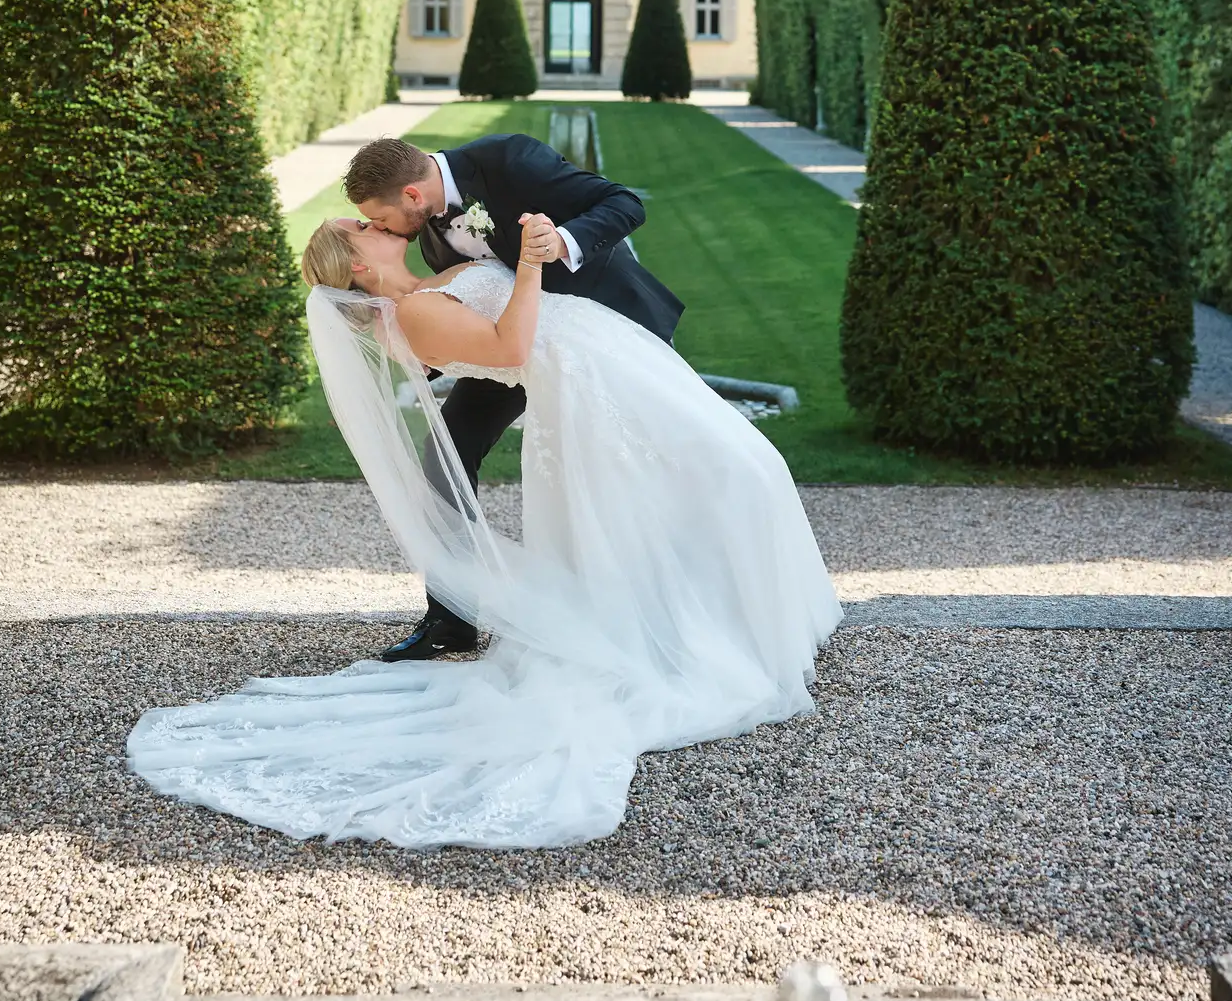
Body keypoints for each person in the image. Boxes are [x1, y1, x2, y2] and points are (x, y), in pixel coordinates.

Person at [127, 202, 841, 850]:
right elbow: (507, 350)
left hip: (616, 363)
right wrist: (528, 265)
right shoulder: (412, 316)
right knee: (738, 471)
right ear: (356, 265)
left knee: (737, 472)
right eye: (362, 228)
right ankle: (720, 629)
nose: (375, 223)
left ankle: (734, 614)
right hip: (591, 384)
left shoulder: (434, 279)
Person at [342, 133, 684, 663]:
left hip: (600, 336)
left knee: (620, 467)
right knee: (445, 459)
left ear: (412, 194)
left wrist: (563, 242)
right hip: (515, 346)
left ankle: (655, 603)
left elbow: (624, 203)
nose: (381, 229)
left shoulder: (508, 159)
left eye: (380, 218)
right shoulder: (427, 231)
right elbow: (459, 317)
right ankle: (450, 619)